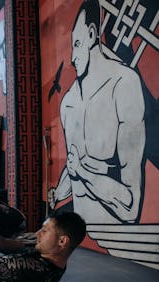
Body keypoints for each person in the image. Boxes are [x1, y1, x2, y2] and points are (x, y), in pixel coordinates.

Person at [48, 0, 145, 224]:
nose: (72, 58)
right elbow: (75, 164)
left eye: (78, 44)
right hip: (78, 237)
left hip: (116, 237)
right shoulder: (68, 102)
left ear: (92, 34)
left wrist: (83, 172)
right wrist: (58, 194)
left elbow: (130, 207)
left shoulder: (124, 85)